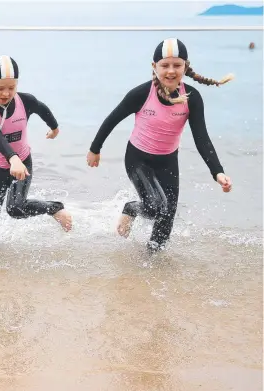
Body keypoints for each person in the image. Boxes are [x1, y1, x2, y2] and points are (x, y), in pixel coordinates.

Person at [86, 38, 234, 252]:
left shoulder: (191, 97)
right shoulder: (141, 94)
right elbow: (112, 119)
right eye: (165, 65)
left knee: (167, 214)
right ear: (154, 66)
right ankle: (131, 209)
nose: (171, 71)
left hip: (167, 161)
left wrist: (217, 172)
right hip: (138, 159)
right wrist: (95, 149)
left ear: (186, 66)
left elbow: (202, 138)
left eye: (177, 65)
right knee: (155, 207)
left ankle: (153, 258)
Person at [0, 55, 72, 247]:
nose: (6, 93)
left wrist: (54, 128)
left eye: (11, 88)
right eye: (0, 88)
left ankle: (54, 209)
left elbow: (42, 109)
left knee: (15, 208)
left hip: (23, 164)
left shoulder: (25, 101)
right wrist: (11, 158)